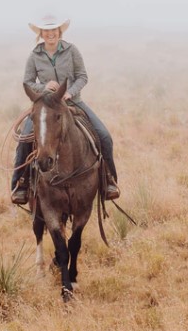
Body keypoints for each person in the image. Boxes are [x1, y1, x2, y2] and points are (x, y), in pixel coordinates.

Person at [10, 15, 119, 204]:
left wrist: (70, 92)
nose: (50, 33)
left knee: (104, 136)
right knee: (24, 140)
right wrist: (44, 87)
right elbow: (27, 82)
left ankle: (108, 181)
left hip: (72, 102)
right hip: (45, 105)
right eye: (47, 30)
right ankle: (21, 184)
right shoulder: (34, 55)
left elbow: (82, 76)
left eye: (54, 30)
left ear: (59, 32)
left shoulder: (72, 50)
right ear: (41, 33)